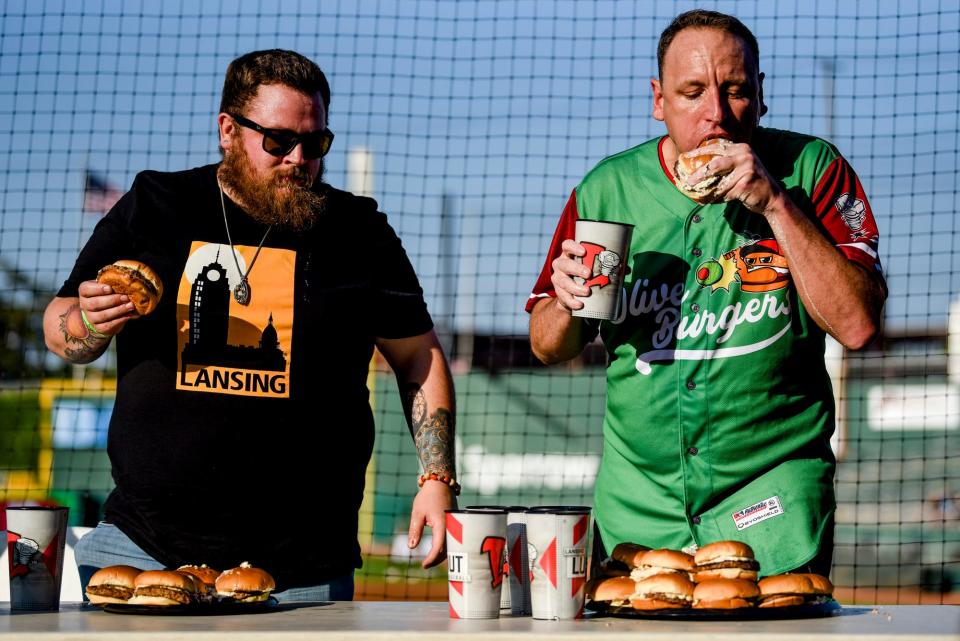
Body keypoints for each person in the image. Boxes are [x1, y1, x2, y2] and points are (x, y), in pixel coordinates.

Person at [43, 49, 458, 600]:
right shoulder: (156, 205)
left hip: (303, 569)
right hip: (142, 550)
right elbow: (59, 327)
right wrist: (91, 322)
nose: (299, 158)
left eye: (316, 144)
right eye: (279, 141)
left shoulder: (358, 231)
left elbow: (417, 357)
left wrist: (436, 479)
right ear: (228, 130)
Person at [526, 10, 886, 578]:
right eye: (691, 92)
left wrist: (776, 204)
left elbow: (860, 325)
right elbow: (548, 345)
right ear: (658, 99)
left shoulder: (811, 170)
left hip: (772, 509)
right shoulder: (608, 189)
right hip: (639, 516)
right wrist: (565, 302)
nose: (715, 114)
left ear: (761, 96)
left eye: (736, 90)